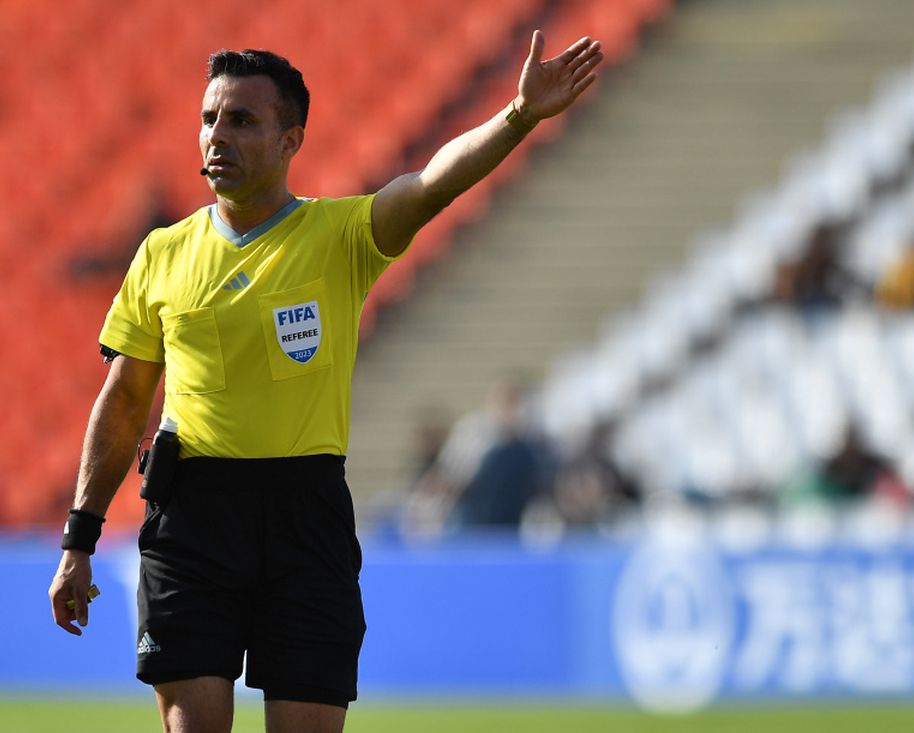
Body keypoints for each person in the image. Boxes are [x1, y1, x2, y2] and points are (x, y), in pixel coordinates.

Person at [48, 33, 603, 733]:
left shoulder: (338, 237)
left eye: (242, 120)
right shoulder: (162, 253)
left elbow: (433, 183)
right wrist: (79, 540)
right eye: (209, 118)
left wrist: (518, 115)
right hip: (192, 518)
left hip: (304, 517)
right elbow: (125, 400)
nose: (217, 134)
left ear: (290, 140)